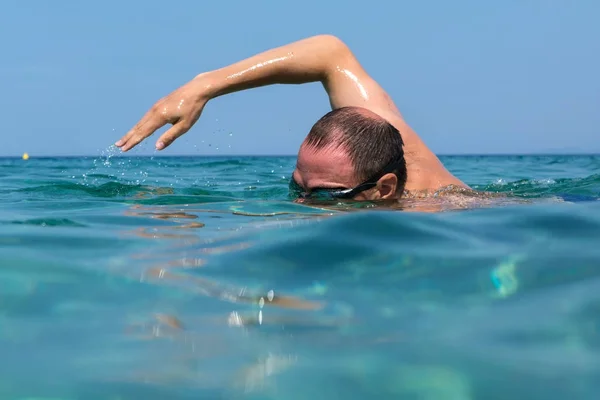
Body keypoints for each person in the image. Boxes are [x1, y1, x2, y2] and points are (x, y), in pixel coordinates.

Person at [115, 35, 468, 201]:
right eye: (296, 187)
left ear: (385, 189)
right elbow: (331, 54)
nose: (302, 204)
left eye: (325, 195)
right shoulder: (372, 126)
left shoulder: (439, 213)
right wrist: (204, 86)